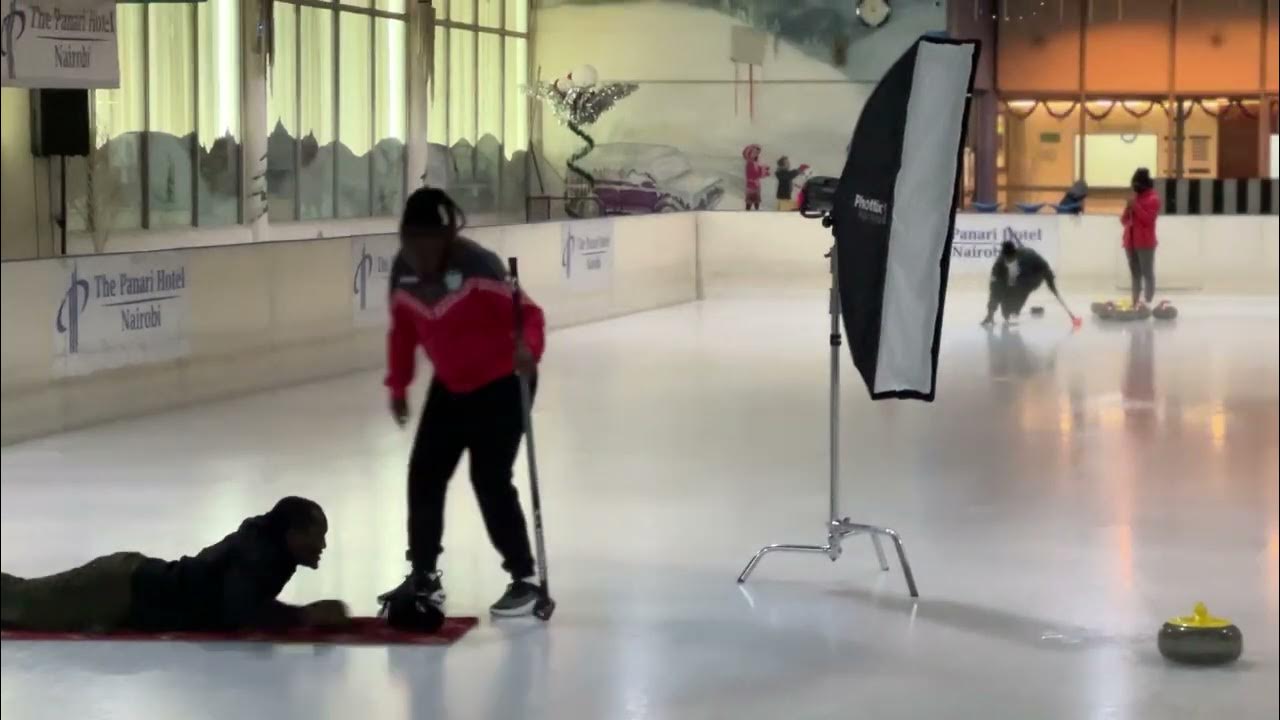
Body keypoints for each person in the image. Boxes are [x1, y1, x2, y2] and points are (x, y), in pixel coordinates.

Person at [378, 187, 546, 618]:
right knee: (424, 474)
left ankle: (524, 577)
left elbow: (527, 315)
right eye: (411, 243)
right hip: (451, 385)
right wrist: (398, 385)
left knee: (489, 477)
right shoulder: (403, 272)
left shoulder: (478, 265)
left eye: (429, 244)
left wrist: (527, 347)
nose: (420, 255)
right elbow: (403, 332)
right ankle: (424, 574)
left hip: (504, 380)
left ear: (446, 238)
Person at [1, 497, 348, 632]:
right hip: (116, 588)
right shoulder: (261, 554)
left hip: (128, 581)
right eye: (317, 536)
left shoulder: (270, 548)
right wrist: (305, 616)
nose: (322, 546)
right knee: (22, 604)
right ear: (292, 534)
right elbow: (240, 611)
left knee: (23, 600)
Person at [982, 240, 1059, 326]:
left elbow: (1046, 269)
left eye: (1010, 257)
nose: (1008, 260)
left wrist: (1051, 285)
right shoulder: (999, 265)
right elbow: (995, 289)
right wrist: (990, 313)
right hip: (1014, 283)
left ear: (1015, 253)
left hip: (1032, 278)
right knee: (1006, 311)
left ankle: (1015, 309)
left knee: (1019, 293)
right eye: (1006, 257)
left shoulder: (1029, 257)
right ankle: (1013, 310)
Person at [1121, 167, 1160, 307]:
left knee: (1147, 273)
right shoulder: (1135, 199)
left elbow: (1148, 220)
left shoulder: (1153, 199)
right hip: (1130, 242)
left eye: (1137, 184)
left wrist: (1136, 206)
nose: (1135, 188)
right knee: (1135, 274)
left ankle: (1148, 302)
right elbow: (1123, 220)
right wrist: (1128, 208)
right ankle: (1135, 301)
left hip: (1145, 243)